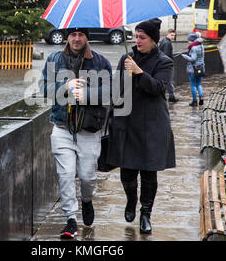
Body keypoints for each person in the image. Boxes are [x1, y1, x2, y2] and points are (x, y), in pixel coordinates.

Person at [40, 27, 112, 239]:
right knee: (65, 175)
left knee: (88, 177)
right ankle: (70, 219)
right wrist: (65, 85)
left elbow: (111, 91)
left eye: (81, 35)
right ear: (67, 37)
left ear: (87, 37)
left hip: (88, 131)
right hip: (62, 128)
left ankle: (87, 200)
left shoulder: (100, 62)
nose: (77, 39)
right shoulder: (55, 58)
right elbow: (44, 89)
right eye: (73, 34)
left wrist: (86, 94)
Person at [107, 19, 176, 234]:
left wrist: (138, 72)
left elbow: (158, 88)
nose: (137, 41)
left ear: (153, 40)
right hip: (127, 122)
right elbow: (118, 89)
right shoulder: (126, 58)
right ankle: (130, 201)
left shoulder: (164, 61)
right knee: (127, 171)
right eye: (136, 37)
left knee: (148, 173)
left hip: (152, 124)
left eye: (142, 37)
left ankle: (146, 213)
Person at [182, 32, 205, 106]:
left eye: (189, 40)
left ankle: (194, 101)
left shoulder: (194, 48)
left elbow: (193, 59)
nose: (188, 42)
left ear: (192, 40)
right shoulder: (201, 46)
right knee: (198, 84)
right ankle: (201, 97)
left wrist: (185, 56)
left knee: (193, 85)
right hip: (201, 68)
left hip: (193, 69)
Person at [158, 29, 179, 102]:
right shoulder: (167, 43)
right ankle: (171, 97)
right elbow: (166, 55)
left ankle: (170, 96)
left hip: (162, 65)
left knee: (167, 81)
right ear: (168, 34)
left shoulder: (164, 40)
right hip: (167, 65)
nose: (173, 37)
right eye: (172, 35)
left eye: (174, 35)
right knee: (169, 81)